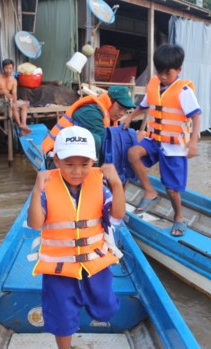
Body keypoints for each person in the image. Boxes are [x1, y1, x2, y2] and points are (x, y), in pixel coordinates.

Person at [28, 126, 125, 349]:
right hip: (60, 268)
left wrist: (117, 183)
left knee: (106, 308)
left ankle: (86, 309)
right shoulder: (47, 186)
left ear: (93, 162)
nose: (77, 171)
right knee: (61, 315)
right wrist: (36, 190)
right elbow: (35, 224)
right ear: (57, 161)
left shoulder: (98, 185)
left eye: (84, 164)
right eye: (69, 164)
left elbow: (118, 214)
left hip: (95, 262)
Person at [123, 44, 201, 237]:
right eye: (160, 72)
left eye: (168, 73)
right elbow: (143, 106)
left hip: (174, 147)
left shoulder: (183, 91)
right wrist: (130, 118)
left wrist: (193, 142)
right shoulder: (154, 84)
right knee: (133, 154)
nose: (163, 76)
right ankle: (150, 191)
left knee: (172, 190)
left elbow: (196, 117)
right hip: (155, 140)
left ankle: (179, 217)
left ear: (179, 70)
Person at [41, 85, 136, 165]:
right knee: (96, 140)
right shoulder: (91, 112)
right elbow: (105, 144)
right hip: (54, 157)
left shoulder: (108, 115)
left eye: (125, 111)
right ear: (110, 102)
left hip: (72, 155)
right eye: (120, 108)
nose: (122, 114)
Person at [0, 58, 31, 135]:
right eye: (6, 68)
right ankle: (19, 126)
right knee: (12, 105)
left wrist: (15, 101)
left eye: (10, 68)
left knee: (24, 105)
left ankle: (23, 124)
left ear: (12, 69)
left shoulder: (13, 80)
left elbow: (14, 94)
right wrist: (3, 92)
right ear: (3, 68)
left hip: (9, 101)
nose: (8, 70)